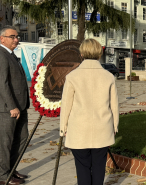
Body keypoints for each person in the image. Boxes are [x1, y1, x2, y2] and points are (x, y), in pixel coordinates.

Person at [60, 38, 119, 185]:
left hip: (78, 129)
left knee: (82, 167)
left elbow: (66, 105)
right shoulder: (109, 76)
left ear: (81, 53)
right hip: (102, 128)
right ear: (100, 54)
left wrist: (63, 127)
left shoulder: (72, 76)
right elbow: (114, 106)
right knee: (99, 167)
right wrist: (115, 126)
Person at [0, 26, 29, 185]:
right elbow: (2, 84)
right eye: (12, 36)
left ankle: (11, 170)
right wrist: (12, 106)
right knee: (5, 143)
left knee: (22, 138)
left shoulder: (11, 55)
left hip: (20, 106)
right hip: (6, 108)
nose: (16, 39)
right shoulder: (0, 56)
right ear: (3, 38)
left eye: (17, 36)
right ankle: (3, 177)